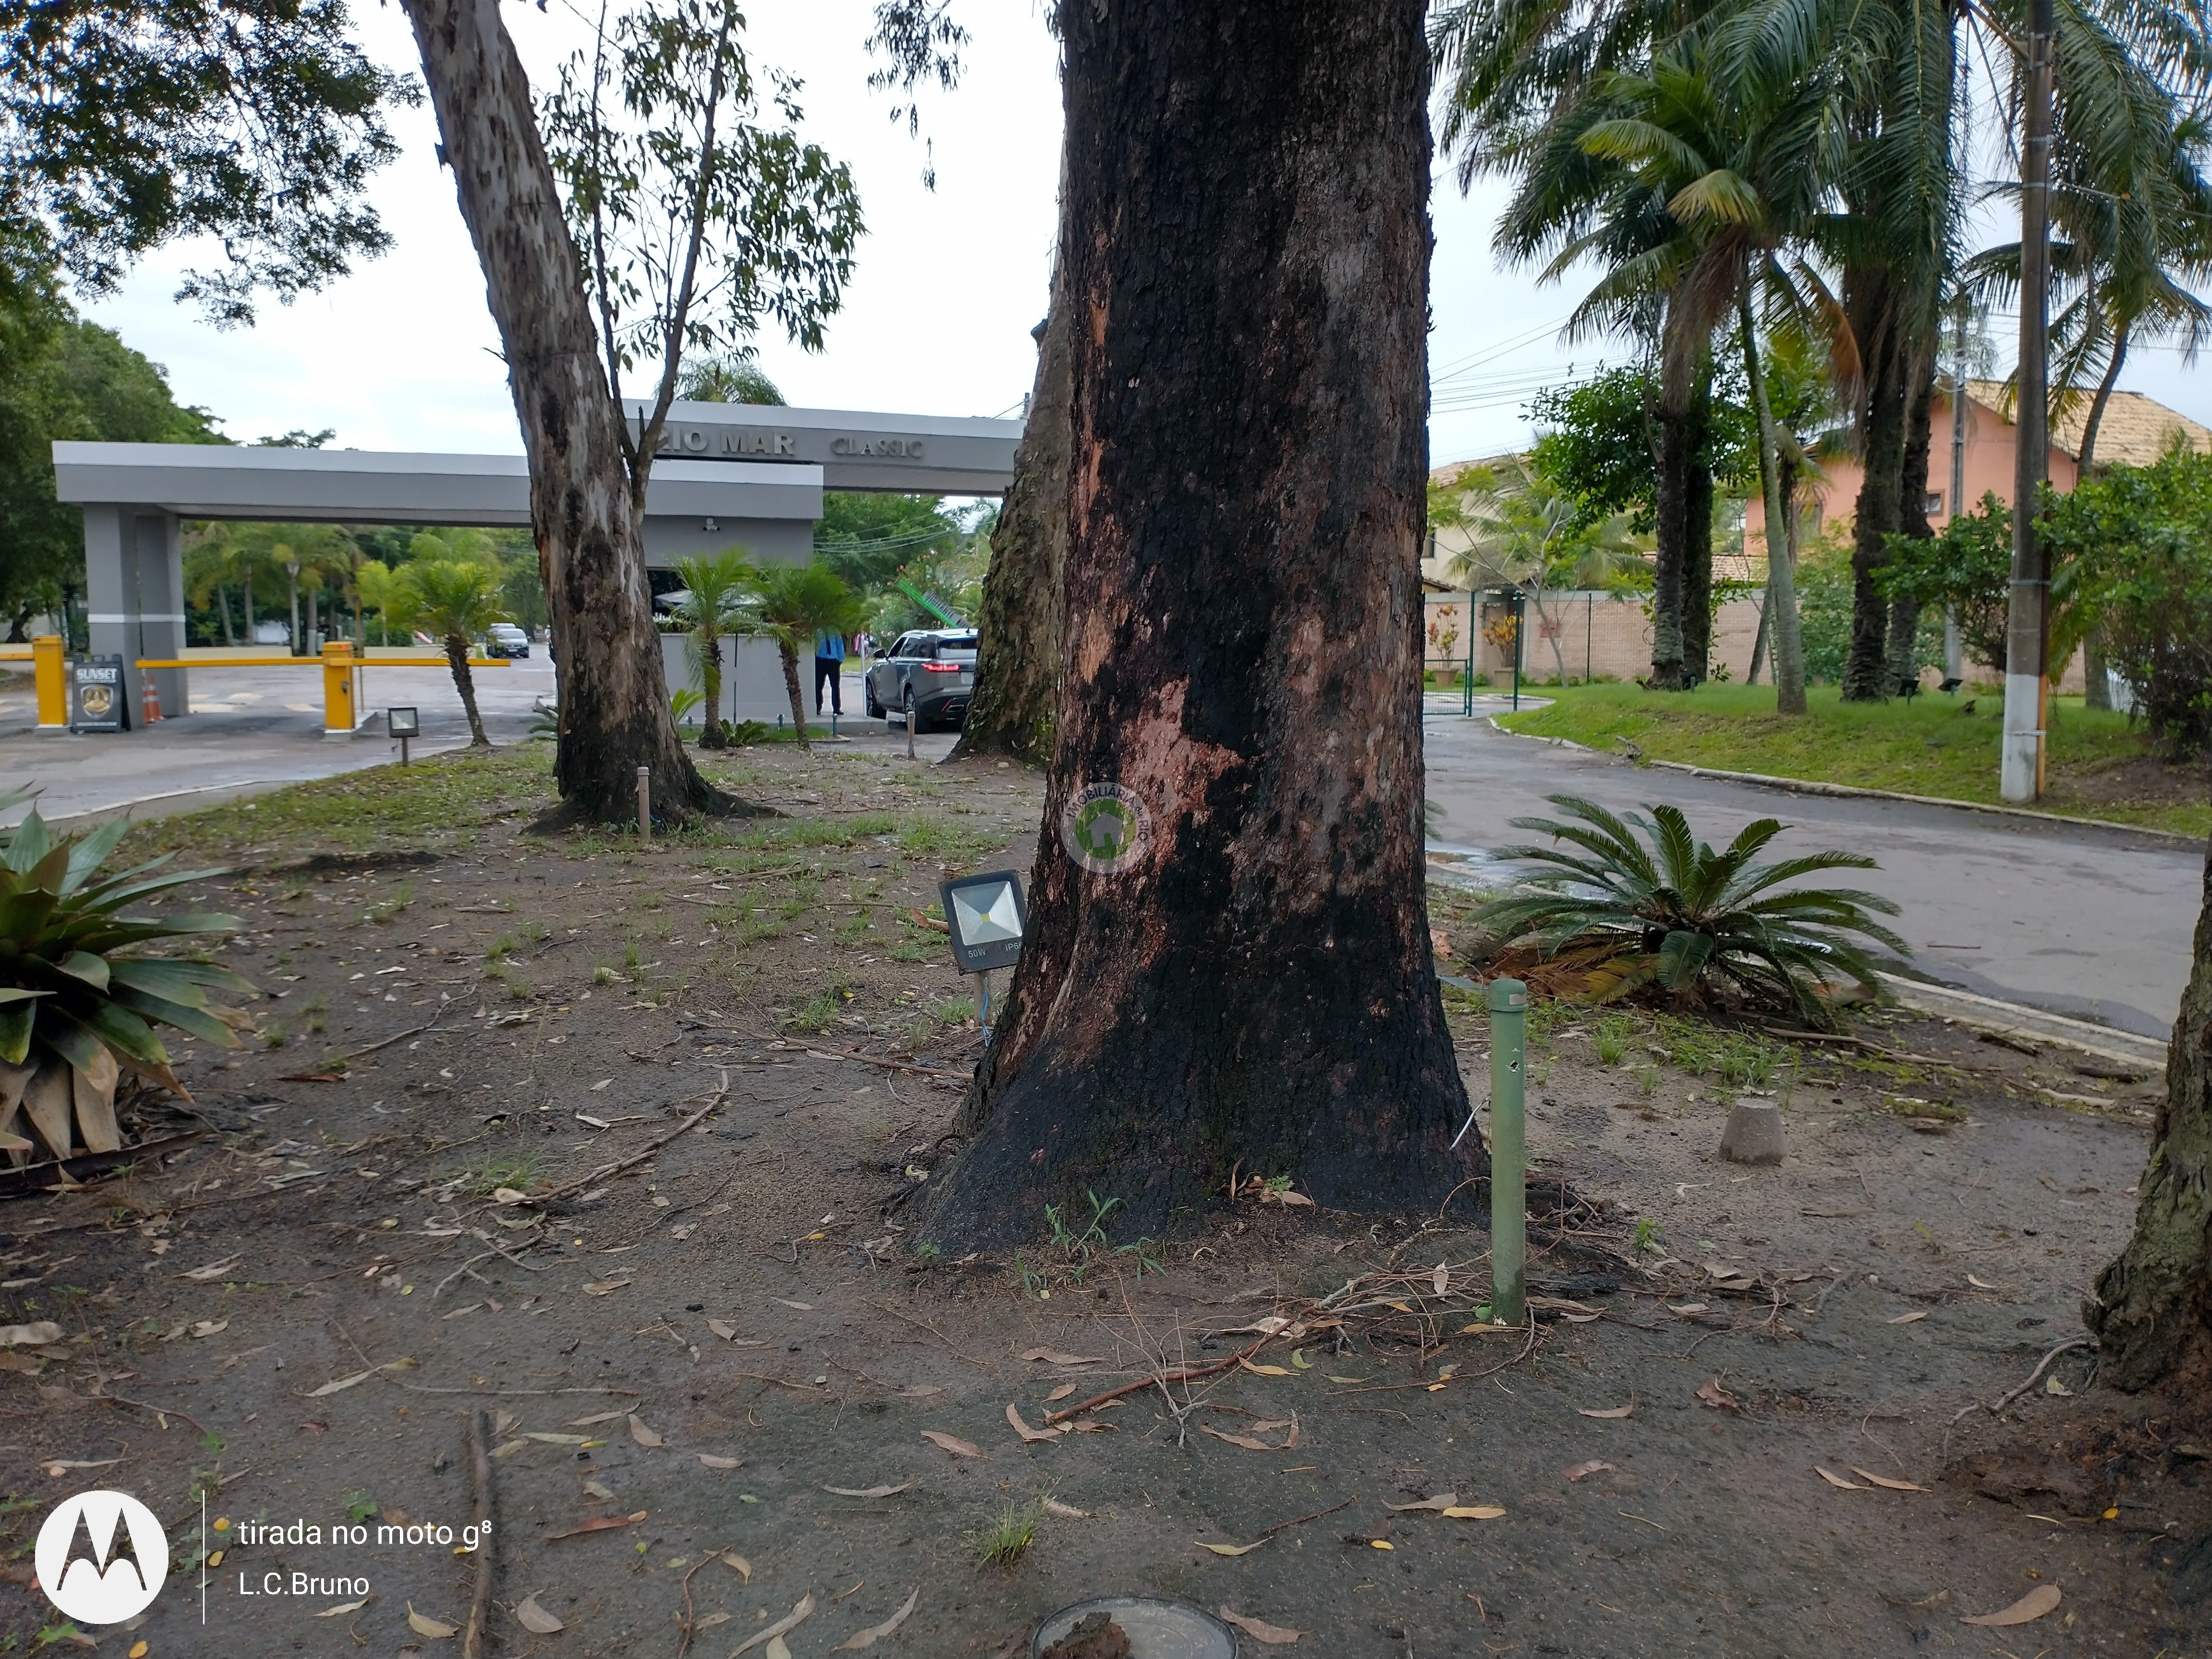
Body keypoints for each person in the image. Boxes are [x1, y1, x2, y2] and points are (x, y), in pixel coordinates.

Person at [814, 627, 847, 715]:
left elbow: (839, 645)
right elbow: (815, 645)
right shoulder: (817, 631)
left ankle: (837, 709)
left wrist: (840, 659)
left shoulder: (835, 630)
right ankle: (817, 707)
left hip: (833, 661)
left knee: (835, 686)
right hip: (821, 661)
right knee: (818, 686)